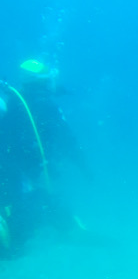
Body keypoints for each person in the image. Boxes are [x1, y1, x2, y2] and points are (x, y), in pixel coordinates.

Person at [0, 59, 88, 256]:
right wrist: (85, 169)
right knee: (35, 208)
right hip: (19, 171)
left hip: (9, 169)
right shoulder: (45, 106)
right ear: (43, 82)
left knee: (20, 202)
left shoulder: (14, 100)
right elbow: (69, 141)